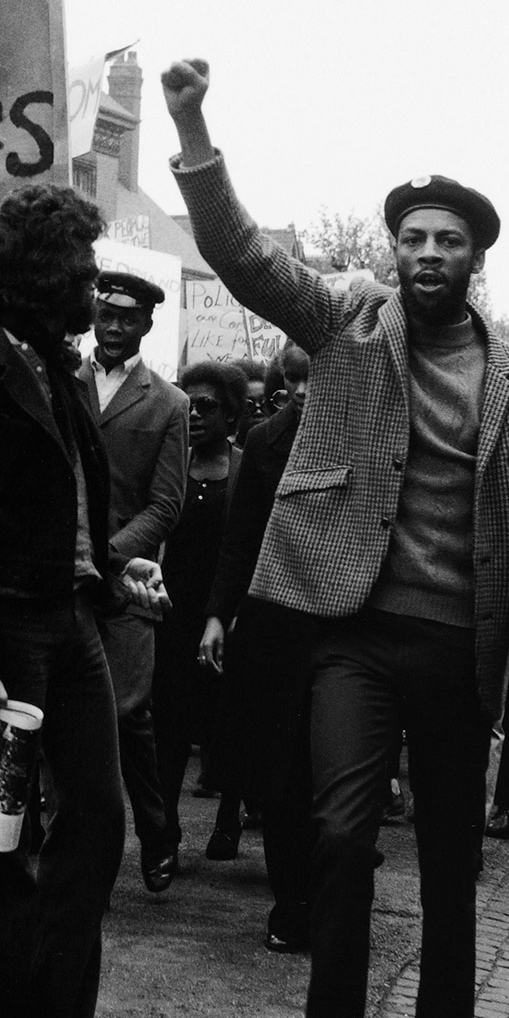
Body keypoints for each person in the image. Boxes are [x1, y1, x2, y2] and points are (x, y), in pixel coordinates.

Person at [162, 57, 509, 1018]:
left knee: (450, 873)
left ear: (476, 259)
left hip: (460, 651)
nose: (428, 255)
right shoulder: (347, 327)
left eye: (448, 241)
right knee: (341, 845)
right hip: (348, 634)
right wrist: (194, 127)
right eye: (414, 238)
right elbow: (244, 258)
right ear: (394, 252)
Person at [0, 184, 165, 1018]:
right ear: (43, 275)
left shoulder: (54, 370)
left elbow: (67, 504)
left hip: (70, 622)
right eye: (85, 270)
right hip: (9, 636)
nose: (95, 288)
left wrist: (113, 568)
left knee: (96, 824)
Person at [198, 344, 316, 952]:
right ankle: (291, 899)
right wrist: (219, 614)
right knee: (283, 767)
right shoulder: (267, 442)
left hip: (346, 625)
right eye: (289, 379)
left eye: (310, 377)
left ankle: (330, 890)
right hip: (275, 619)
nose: (299, 389)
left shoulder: (370, 430)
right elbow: (239, 539)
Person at [78, 272, 188, 892]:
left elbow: (166, 505)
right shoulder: (59, 381)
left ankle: (156, 833)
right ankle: (64, 843)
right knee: (56, 713)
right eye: (106, 314)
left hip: (124, 583)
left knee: (128, 717)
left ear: (147, 324)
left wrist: (107, 556)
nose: (114, 327)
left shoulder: (168, 403)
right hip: (60, 578)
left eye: (128, 318)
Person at [152, 361, 244, 864]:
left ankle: (229, 818)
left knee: (229, 722)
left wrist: (233, 611)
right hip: (174, 612)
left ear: (229, 412)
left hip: (228, 615)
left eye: (206, 405)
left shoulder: (247, 467)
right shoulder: (170, 464)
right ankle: (166, 832)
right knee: (169, 723)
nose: (195, 414)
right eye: (187, 404)